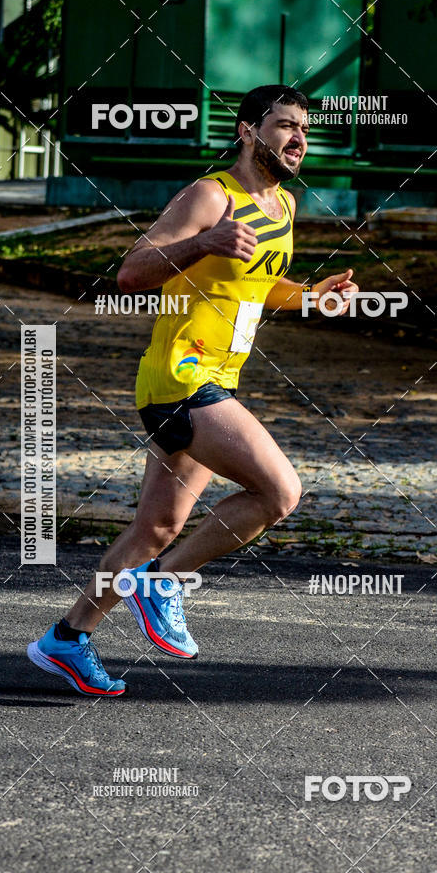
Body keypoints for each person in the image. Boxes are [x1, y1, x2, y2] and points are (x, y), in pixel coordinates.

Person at [27, 84, 358, 696]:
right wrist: (203, 241)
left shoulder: (284, 207)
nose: (297, 138)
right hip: (180, 378)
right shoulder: (209, 195)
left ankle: (66, 640)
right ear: (247, 131)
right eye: (283, 125)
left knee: (155, 527)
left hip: (216, 379)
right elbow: (132, 269)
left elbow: (257, 287)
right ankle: (163, 583)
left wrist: (313, 296)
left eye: (302, 128)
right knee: (279, 491)